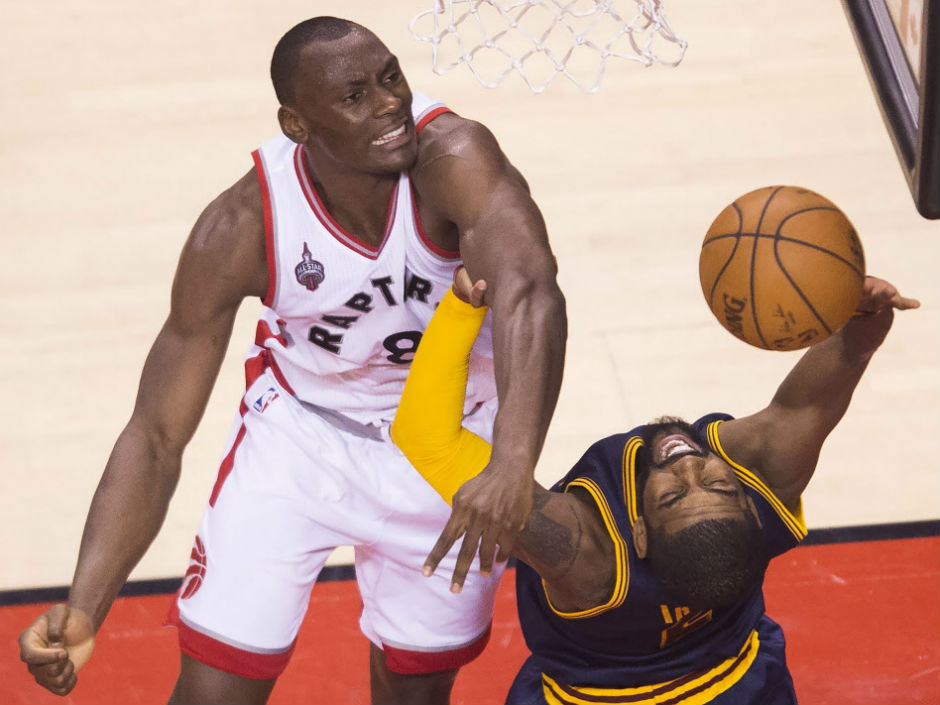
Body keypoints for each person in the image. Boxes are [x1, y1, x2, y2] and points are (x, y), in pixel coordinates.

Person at [17, 16, 566, 705]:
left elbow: (533, 294)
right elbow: (155, 434)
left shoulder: (453, 157)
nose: (391, 102)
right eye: (355, 95)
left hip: (447, 444)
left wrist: (514, 461)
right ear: (297, 123)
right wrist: (86, 605)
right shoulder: (242, 226)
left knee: (416, 691)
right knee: (213, 692)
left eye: (392, 77)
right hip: (303, 440)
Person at [392, 270, 918, 704]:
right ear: (755, 511)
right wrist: (862, 314)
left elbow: (425, 438)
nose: (686, 462)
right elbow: (829, 380)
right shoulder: (765, 482)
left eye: (671, 495)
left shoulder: (585, 556)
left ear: (638, 535)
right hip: (740, 686)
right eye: (716, 482)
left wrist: (462, 303)